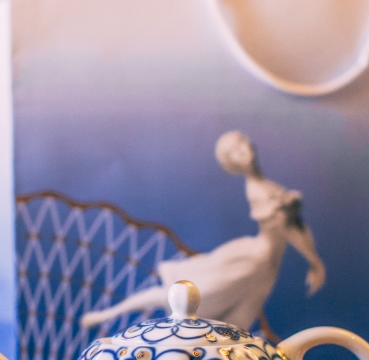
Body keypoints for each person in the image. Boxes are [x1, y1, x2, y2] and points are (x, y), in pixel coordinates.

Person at [81, 131, 326, 332]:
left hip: (266, 270)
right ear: (233, 163)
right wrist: (312, 258)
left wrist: (314, 260)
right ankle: (108, 314)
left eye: (242, 144)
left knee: (237, 326)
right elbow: (286, 227)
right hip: (252, 261)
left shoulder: (270, 188)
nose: (243, 151)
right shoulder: (258, 192)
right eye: (234, 152)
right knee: (187, 296)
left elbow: (295, 228)